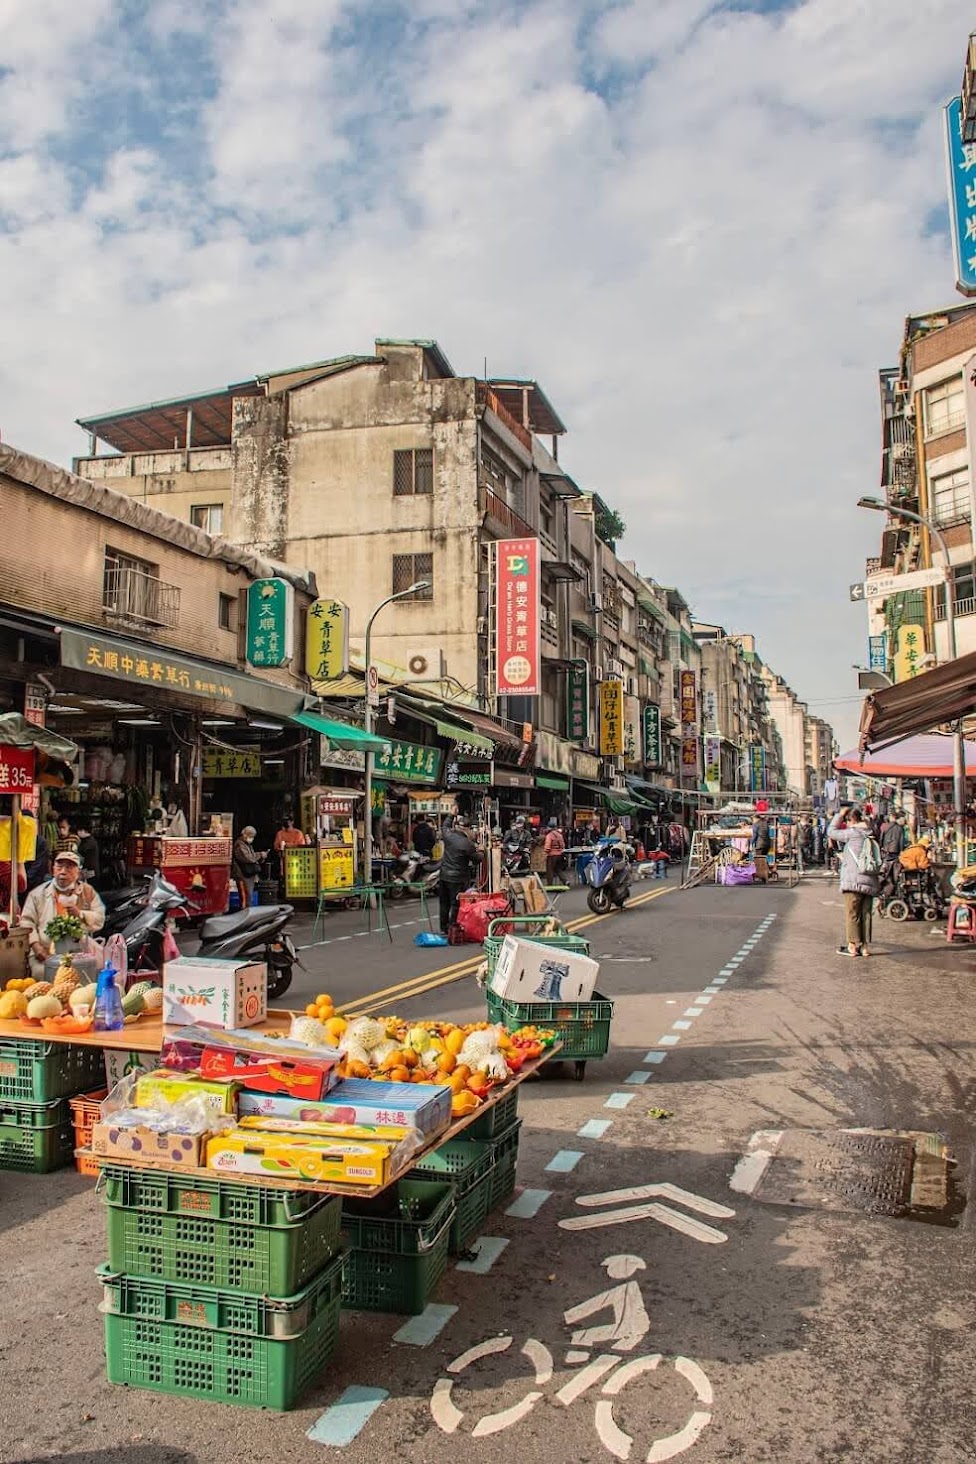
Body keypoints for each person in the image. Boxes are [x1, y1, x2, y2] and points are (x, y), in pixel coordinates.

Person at [19, 849, 105, 980]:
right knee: (42, 975)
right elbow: (26, 922)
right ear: (53, 869)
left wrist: (80, 914)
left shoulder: (87, 892)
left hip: (78, 954)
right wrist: (36, 946)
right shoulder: (38, 894)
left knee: (83, 981)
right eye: (59, 866)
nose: (63, 871)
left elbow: (100, 919)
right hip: (44, 953)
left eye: (69, 867)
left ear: (78, 873)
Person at [827, 806, 881, 957]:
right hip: (870, 879)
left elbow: (831, 831)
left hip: (853, 880)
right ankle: (865, 947)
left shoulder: (853, 833)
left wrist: (839, 814)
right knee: (866, 914)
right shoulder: (871, 833)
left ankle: (852, 946)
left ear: (851, 820)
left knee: (852, 913)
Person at [438, 816, 480, 934]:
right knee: (455, 904)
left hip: (444, 875)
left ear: (457, 826)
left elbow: (444, 826)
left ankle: (443, 928)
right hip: (457, 878)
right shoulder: (467, 844)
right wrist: (482, 851)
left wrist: (451, 815)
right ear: (467, 829)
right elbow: (477, 859)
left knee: (444, 903)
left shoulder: (448, 836)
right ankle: (452, 927)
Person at [231, 826, 266, 910]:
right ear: (245, 834)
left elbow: (252, 857)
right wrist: (260, 855)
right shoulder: (239, 844)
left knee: (249, 896)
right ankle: (244, 914)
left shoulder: (247, 844)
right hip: (242, 874)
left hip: (248, 875)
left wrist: (260, 856)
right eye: (250, 835)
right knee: (245, 897)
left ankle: (247, 912)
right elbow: (248, 858)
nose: (251, 838)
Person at [75, 820, 100, 885]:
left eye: (79, 830)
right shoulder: (88, 840)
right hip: (88, 870)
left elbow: (81, 850)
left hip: (91, 872)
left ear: (84, 831)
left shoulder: (90, 841)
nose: (78, 832)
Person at [543, 817, 566, 884]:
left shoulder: (549, 835)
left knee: (550, 870)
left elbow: (547, 846)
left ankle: (550, 884)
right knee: (558, 869)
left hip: (552, 855)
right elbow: (563, 845)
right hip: (559, 854)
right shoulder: (559, 835)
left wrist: (546, 851)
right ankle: (565, 881)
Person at [751, 813, 772, 883]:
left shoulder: (756, 824)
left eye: (752, 819)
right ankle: (768, 872)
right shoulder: (765, 823)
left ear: (755, 818)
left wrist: (751, 843)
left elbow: (754, 835)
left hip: (760, 844)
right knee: (764, 859)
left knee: (759, 861)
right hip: (767, 844)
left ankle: (763, 876)